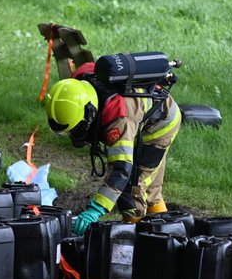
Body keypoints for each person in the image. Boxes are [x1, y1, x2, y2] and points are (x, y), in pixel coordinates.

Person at [44, 73, 182, 236]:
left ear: (89, 114)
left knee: (133, 190)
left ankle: (130, 244)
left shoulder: (117, 119)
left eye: (75, 129)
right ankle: (172, 236)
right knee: (150, 188)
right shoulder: (79, 88)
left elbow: (121, 169)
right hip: (143, 118)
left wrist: (95, 210)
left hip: (160, 126)